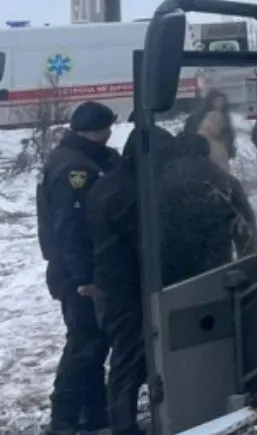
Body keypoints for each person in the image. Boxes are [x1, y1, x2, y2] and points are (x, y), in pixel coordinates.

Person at [35, 101, 119, 435]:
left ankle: (93, 412)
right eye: (108, 127)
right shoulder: (75, 169)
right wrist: (85, 278)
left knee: (94, 342)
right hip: (76, 272)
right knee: (84, 343)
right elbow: (70, 229)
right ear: (99, 129)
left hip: (72, 267)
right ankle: (63, 418)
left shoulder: (70, 157)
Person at [87, 124, 175, 435]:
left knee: (124, 356)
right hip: (126, 285)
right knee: (128, 358)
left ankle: (122, 420)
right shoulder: (134, 192)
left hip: (110, 281)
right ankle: (122, 426)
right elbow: (145, 242)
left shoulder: (108, 183)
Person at [158, 133, 257, 287]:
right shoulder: (223, 181)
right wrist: (247, 273)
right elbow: (247, 233)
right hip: (214, 274)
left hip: (170, 278)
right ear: (206, 151)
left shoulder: (160, 183)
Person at [184, 89, 236, 170]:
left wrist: (229, 148)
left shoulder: (225, 118)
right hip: (202, 156)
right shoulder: (196, 118)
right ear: (210, 102)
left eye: (222, 101)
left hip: (220, 155)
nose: (220, 104)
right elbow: (189, 137)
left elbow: (229, 135)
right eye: (217, 101)